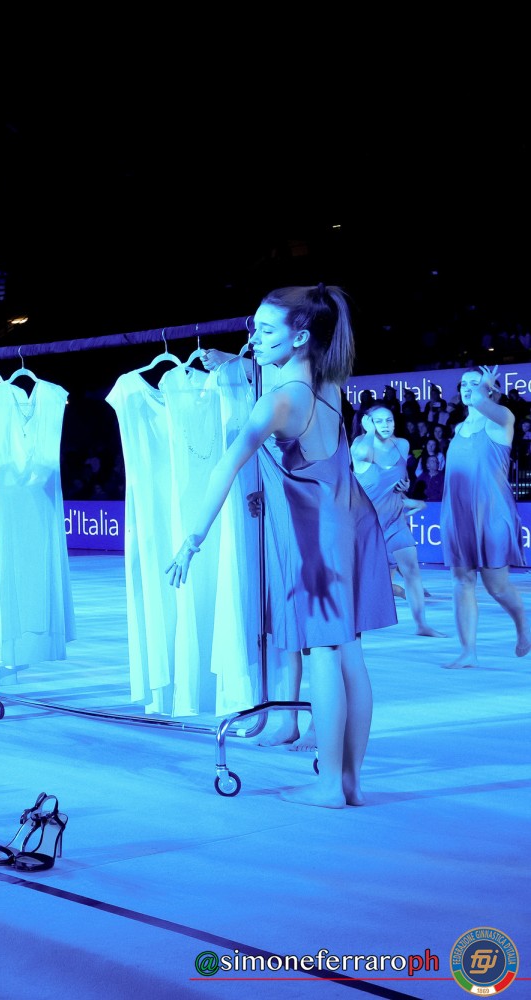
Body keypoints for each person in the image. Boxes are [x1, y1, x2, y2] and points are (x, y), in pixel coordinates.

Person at [170, 284, 393, 808]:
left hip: (318, 539)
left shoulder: (279, 402)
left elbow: (226, 467)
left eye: (265, 330)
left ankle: (328, 786)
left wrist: (192, 539)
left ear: (300, 337)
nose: (254, 338)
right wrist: (237, 359)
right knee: (351, 654)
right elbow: (275, 370)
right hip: (353, 524)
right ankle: (350, 782)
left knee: (324, 653)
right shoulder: (328, 383)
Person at [440, 366, 531, 668]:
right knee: (462, 581)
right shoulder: (459, 428)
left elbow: (481, 402)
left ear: (490, 389)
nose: (468, 388)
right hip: (459, 514)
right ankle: (468, 652)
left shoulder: (502, 419)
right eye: (464, 384)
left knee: (497, 586)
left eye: (475, 383)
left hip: (491, 512)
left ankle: (523, 623)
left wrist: (486, 389)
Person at [351, 405, 442, 636]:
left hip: (395, 521)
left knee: (412, 570)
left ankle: (422, 625)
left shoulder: (402, 445)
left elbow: (399, 480)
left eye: (389, 420)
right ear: (368, 422)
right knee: (367, 583)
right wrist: (369, 432)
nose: (385, 425)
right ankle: (395, 592)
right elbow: (363, 456)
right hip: (366, 525)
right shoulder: (360, 445)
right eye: (379, 421)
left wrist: (406, 490)